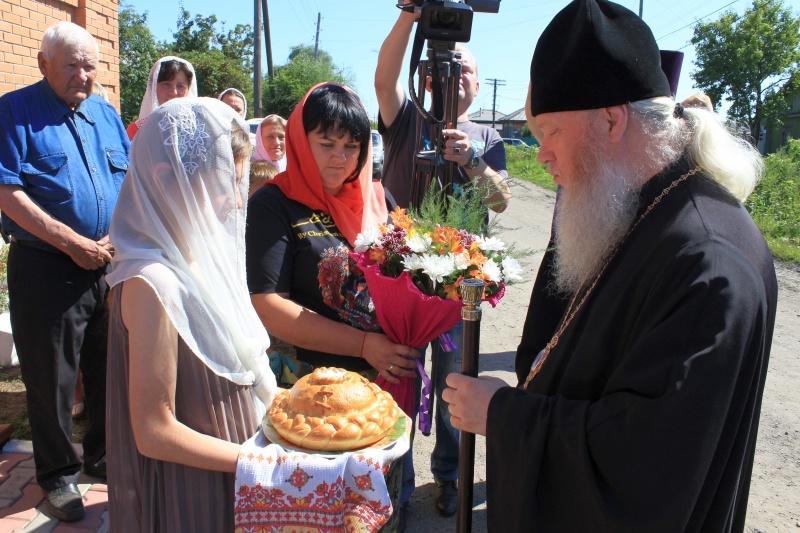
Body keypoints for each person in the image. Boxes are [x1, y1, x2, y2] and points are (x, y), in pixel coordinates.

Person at [442, 1, 777, 531]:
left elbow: (647, 469)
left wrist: (504, 415)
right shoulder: (640, 211)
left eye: (549, 130)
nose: (541, 153)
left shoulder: (708, 262)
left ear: (611, 119)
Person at [105, 97, 278, 532]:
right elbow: (154, 430)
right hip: (194, 488)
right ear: (167, 179)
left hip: (232, 471)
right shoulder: (151, 284)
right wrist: (260, 462)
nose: (237, 203)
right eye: (227, 185)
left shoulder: (194, 259)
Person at [373, 1, 511, 523]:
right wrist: (410, 15)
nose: (454, 78)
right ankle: (396, 481)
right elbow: (385, 78)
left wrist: (471, 161)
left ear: (475, 82)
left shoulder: (488, 139)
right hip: (403, 284)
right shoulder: (406, 118)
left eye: (465, 71)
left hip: (460, 289)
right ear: (426, 77)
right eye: (442, 70)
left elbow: (500, 200)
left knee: (457, 384)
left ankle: (449, 476)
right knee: (400, 379)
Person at [0, 21, 130, 522]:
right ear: (43, 65)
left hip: (107, 264)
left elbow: (132, 181)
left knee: (105, 370)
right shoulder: (15, 111)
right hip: (47, 266)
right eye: (71, 65)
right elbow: (8, 191)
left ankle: (100, 456)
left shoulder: (105, 114)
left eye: (90, 65)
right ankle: (57, 477)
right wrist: (71, 242)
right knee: (52, 379)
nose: (83, 75)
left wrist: (119, 237)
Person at [125, 56, 197, 140]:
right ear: (153, 88)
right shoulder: (136, 131)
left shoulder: (199, 129)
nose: (174, 92)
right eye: (166, 84)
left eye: (180, 86)